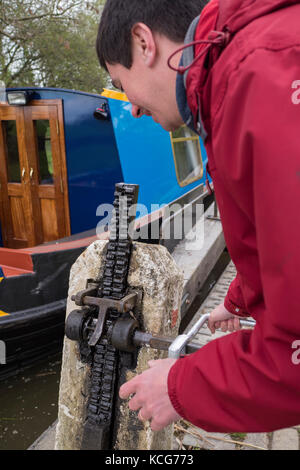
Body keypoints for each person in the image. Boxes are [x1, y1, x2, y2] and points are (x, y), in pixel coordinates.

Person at [96, 0, 300, 433]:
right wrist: (244, 294)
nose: (129, 106)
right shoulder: (246, 70)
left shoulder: (256, 82)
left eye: (119, 81)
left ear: (143, 42)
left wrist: (181, 386)